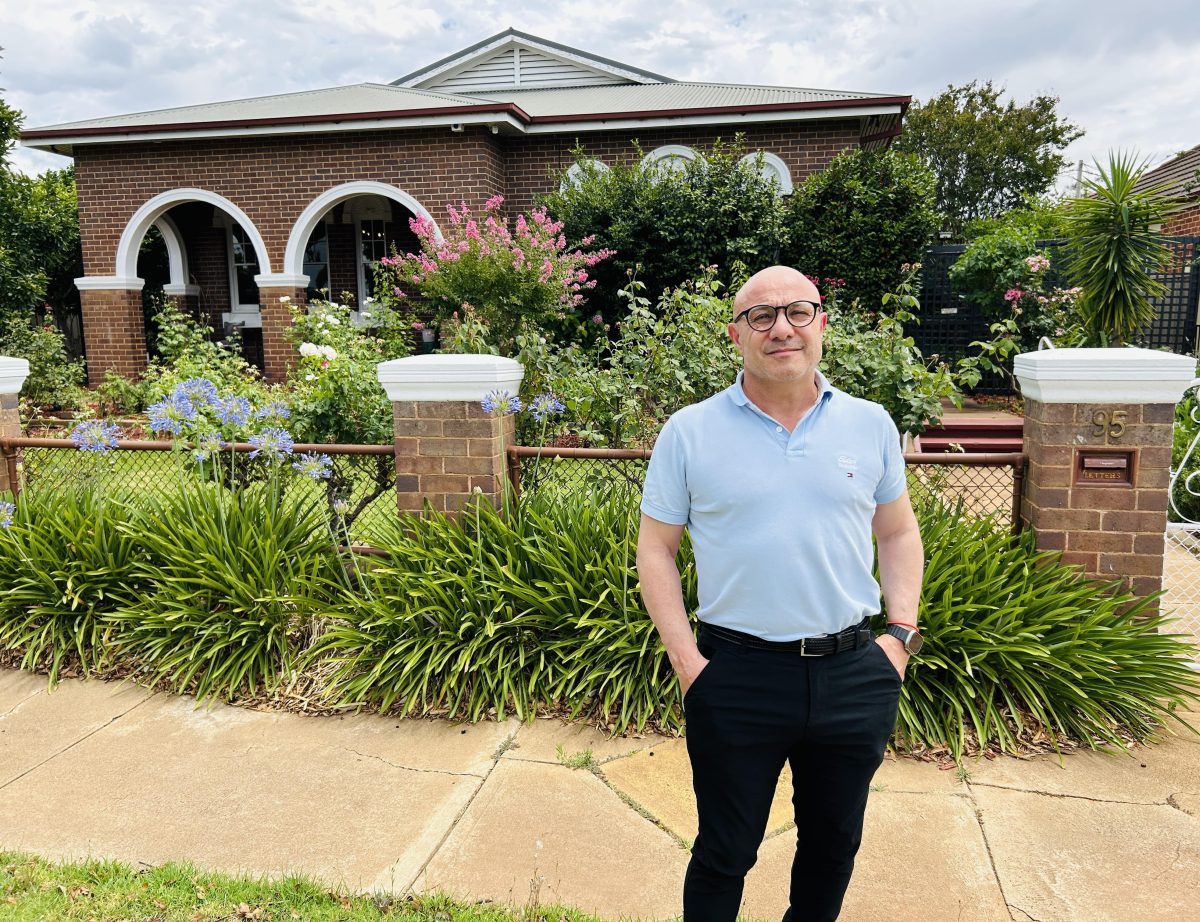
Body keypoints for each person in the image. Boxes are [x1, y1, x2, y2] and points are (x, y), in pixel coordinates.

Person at [636, 265, 924, 922]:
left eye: (798, 311)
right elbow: (656, 550)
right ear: (735, 334)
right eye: (761, 316)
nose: (781, 328)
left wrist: (899, 639)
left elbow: (899, 533)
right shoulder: (689, 431)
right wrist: (689, 665)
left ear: (822, 323)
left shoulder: (870, 424)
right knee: (724, 852)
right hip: (735, 677)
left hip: (855, 673)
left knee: (832, 847)